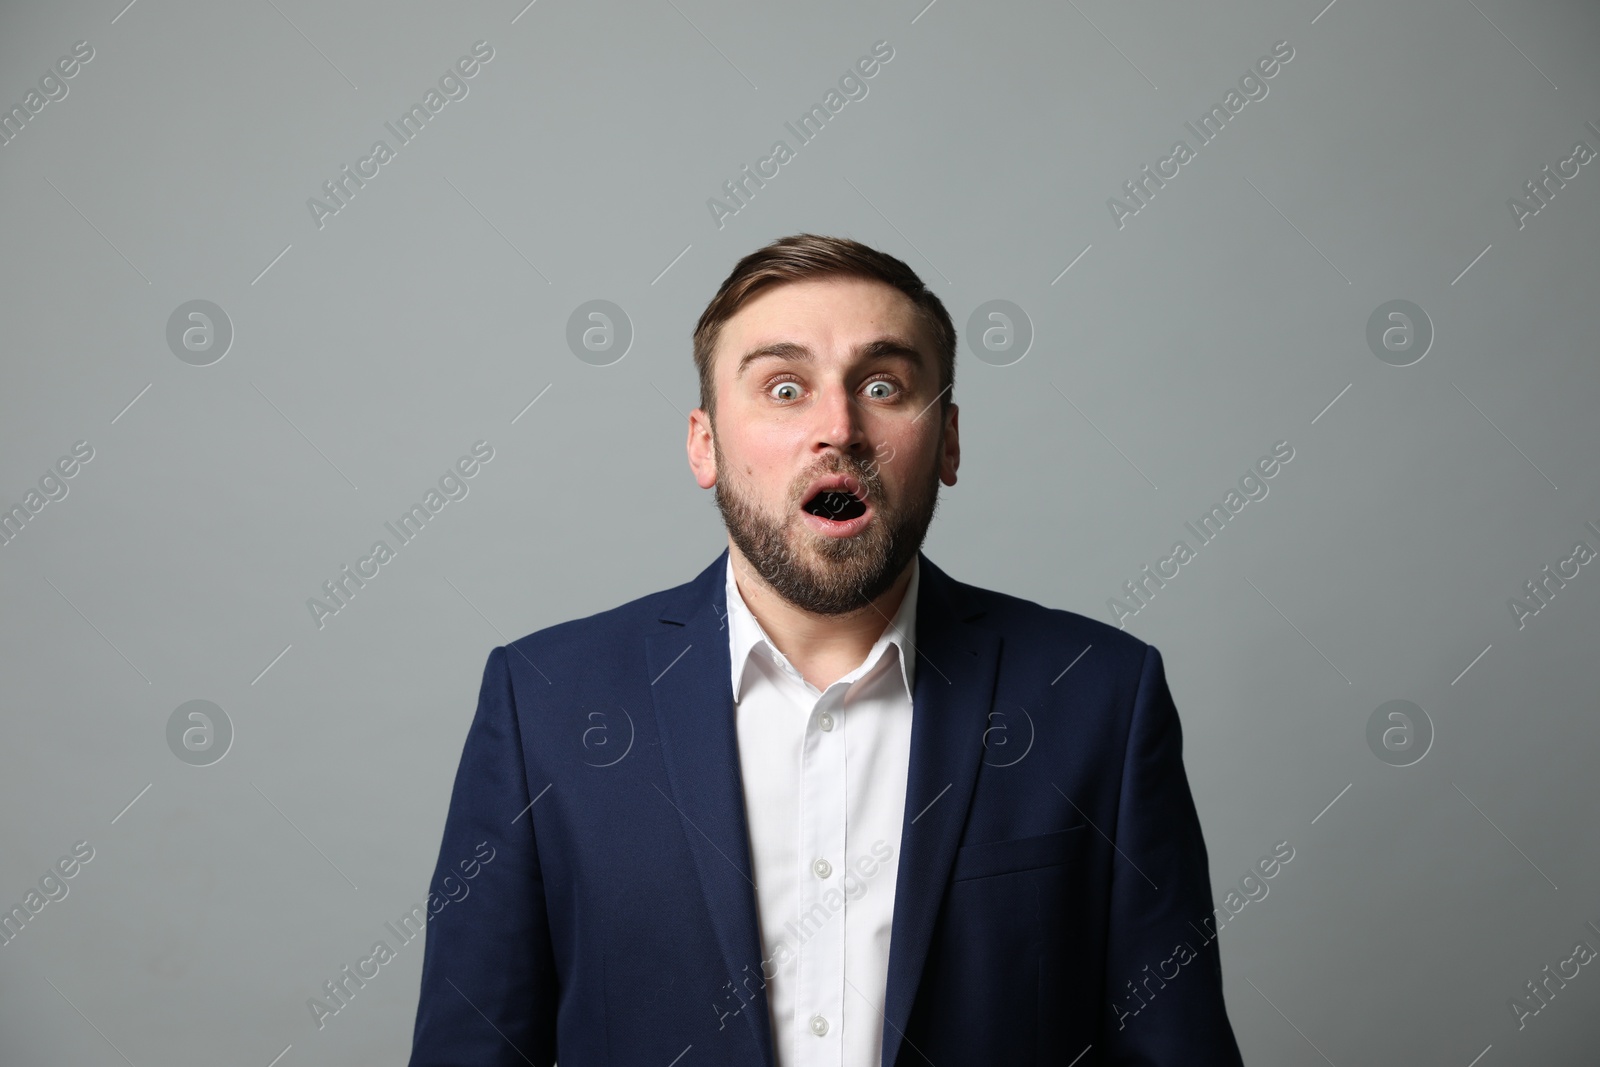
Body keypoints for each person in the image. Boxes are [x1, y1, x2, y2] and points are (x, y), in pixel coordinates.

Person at [406, 234, 1246, 1066]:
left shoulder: (1099, 696)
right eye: (783, 387)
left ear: (948, 441)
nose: (837, 427)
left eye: (883, 385)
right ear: (705, 443)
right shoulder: (544, 702)